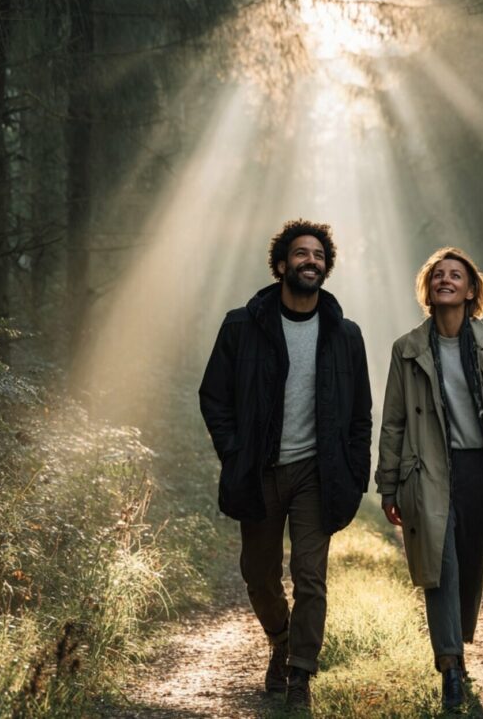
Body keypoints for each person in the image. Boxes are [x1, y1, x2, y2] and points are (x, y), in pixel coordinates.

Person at [199, 219, 372, 709]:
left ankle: (300, 675)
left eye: (318, 255)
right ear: (281, 265)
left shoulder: (345, 335)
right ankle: (279, 639)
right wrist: (234, 452)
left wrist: (355, 471)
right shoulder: (241, 325)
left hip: (318, 474)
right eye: (301, 254)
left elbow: (361, 413)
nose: (310, 261)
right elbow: (214, 397)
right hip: (259, 470)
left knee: (310, 575)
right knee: (258, 574)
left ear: (326, 267)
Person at [375, 246, 483, 710]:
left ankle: (458, 648)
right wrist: (388, 484)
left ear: (471, 291)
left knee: (469, 569)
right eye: (438, 275)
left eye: (456, 275)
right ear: (428, 290)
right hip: (428, 471)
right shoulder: (406, 349)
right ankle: (449, 665)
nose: (446, 280)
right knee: (440, 569)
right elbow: (393, 422)